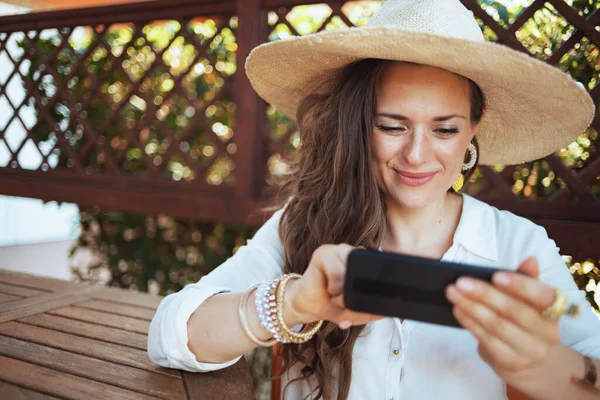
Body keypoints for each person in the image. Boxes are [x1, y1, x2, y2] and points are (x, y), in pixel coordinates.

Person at [147, 0, 600, 399]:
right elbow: (169, 336)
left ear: (472, 133)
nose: (418, 155)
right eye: (392, 125)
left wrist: (541, 365)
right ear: (360, 125)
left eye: (444, 129)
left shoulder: (518, 245)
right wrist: (295, 303)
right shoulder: (303, 223)